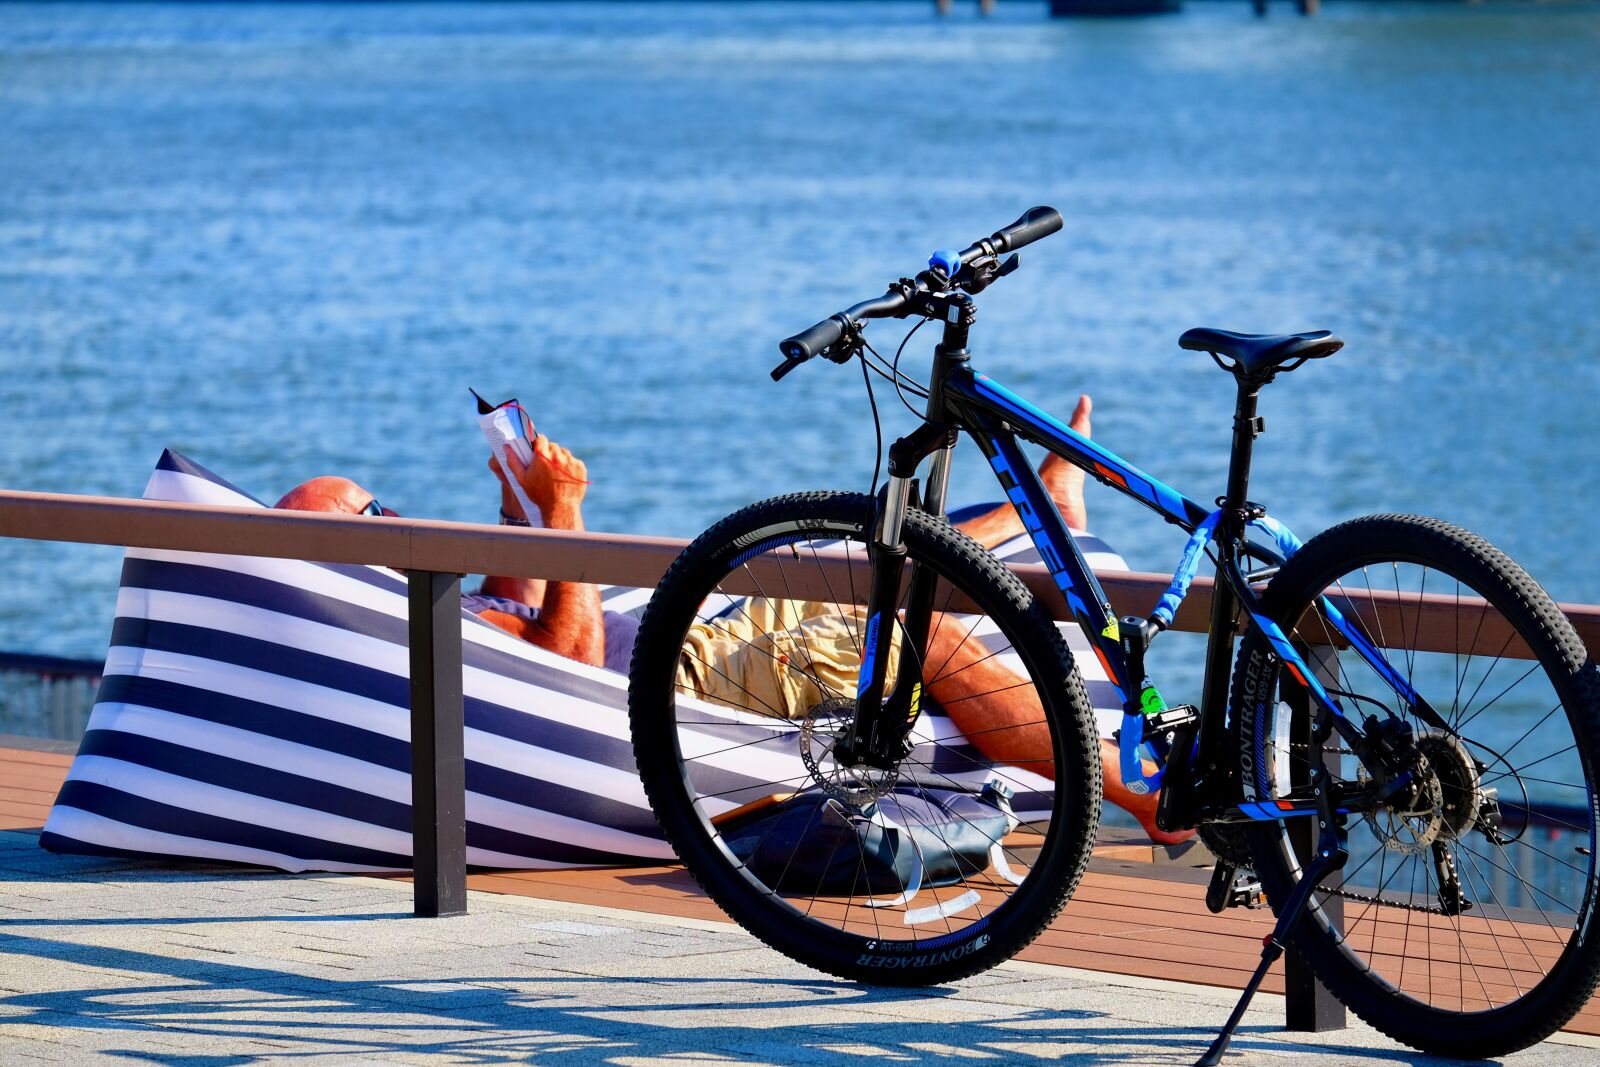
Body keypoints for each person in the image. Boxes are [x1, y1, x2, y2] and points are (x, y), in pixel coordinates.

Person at [276, 394, 1192, 846]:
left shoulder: (416, 602)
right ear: (332, 557)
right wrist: (566, 512)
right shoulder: (396, 626)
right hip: (668, 677)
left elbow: (523, 601)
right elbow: (569, 664)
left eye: (379, 502)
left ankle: (1043, 516)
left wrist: (523, 501)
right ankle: (1140, 793)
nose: (389, 519)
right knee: (915, 634)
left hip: (689, 634)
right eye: (366, 518)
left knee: (842, 558)